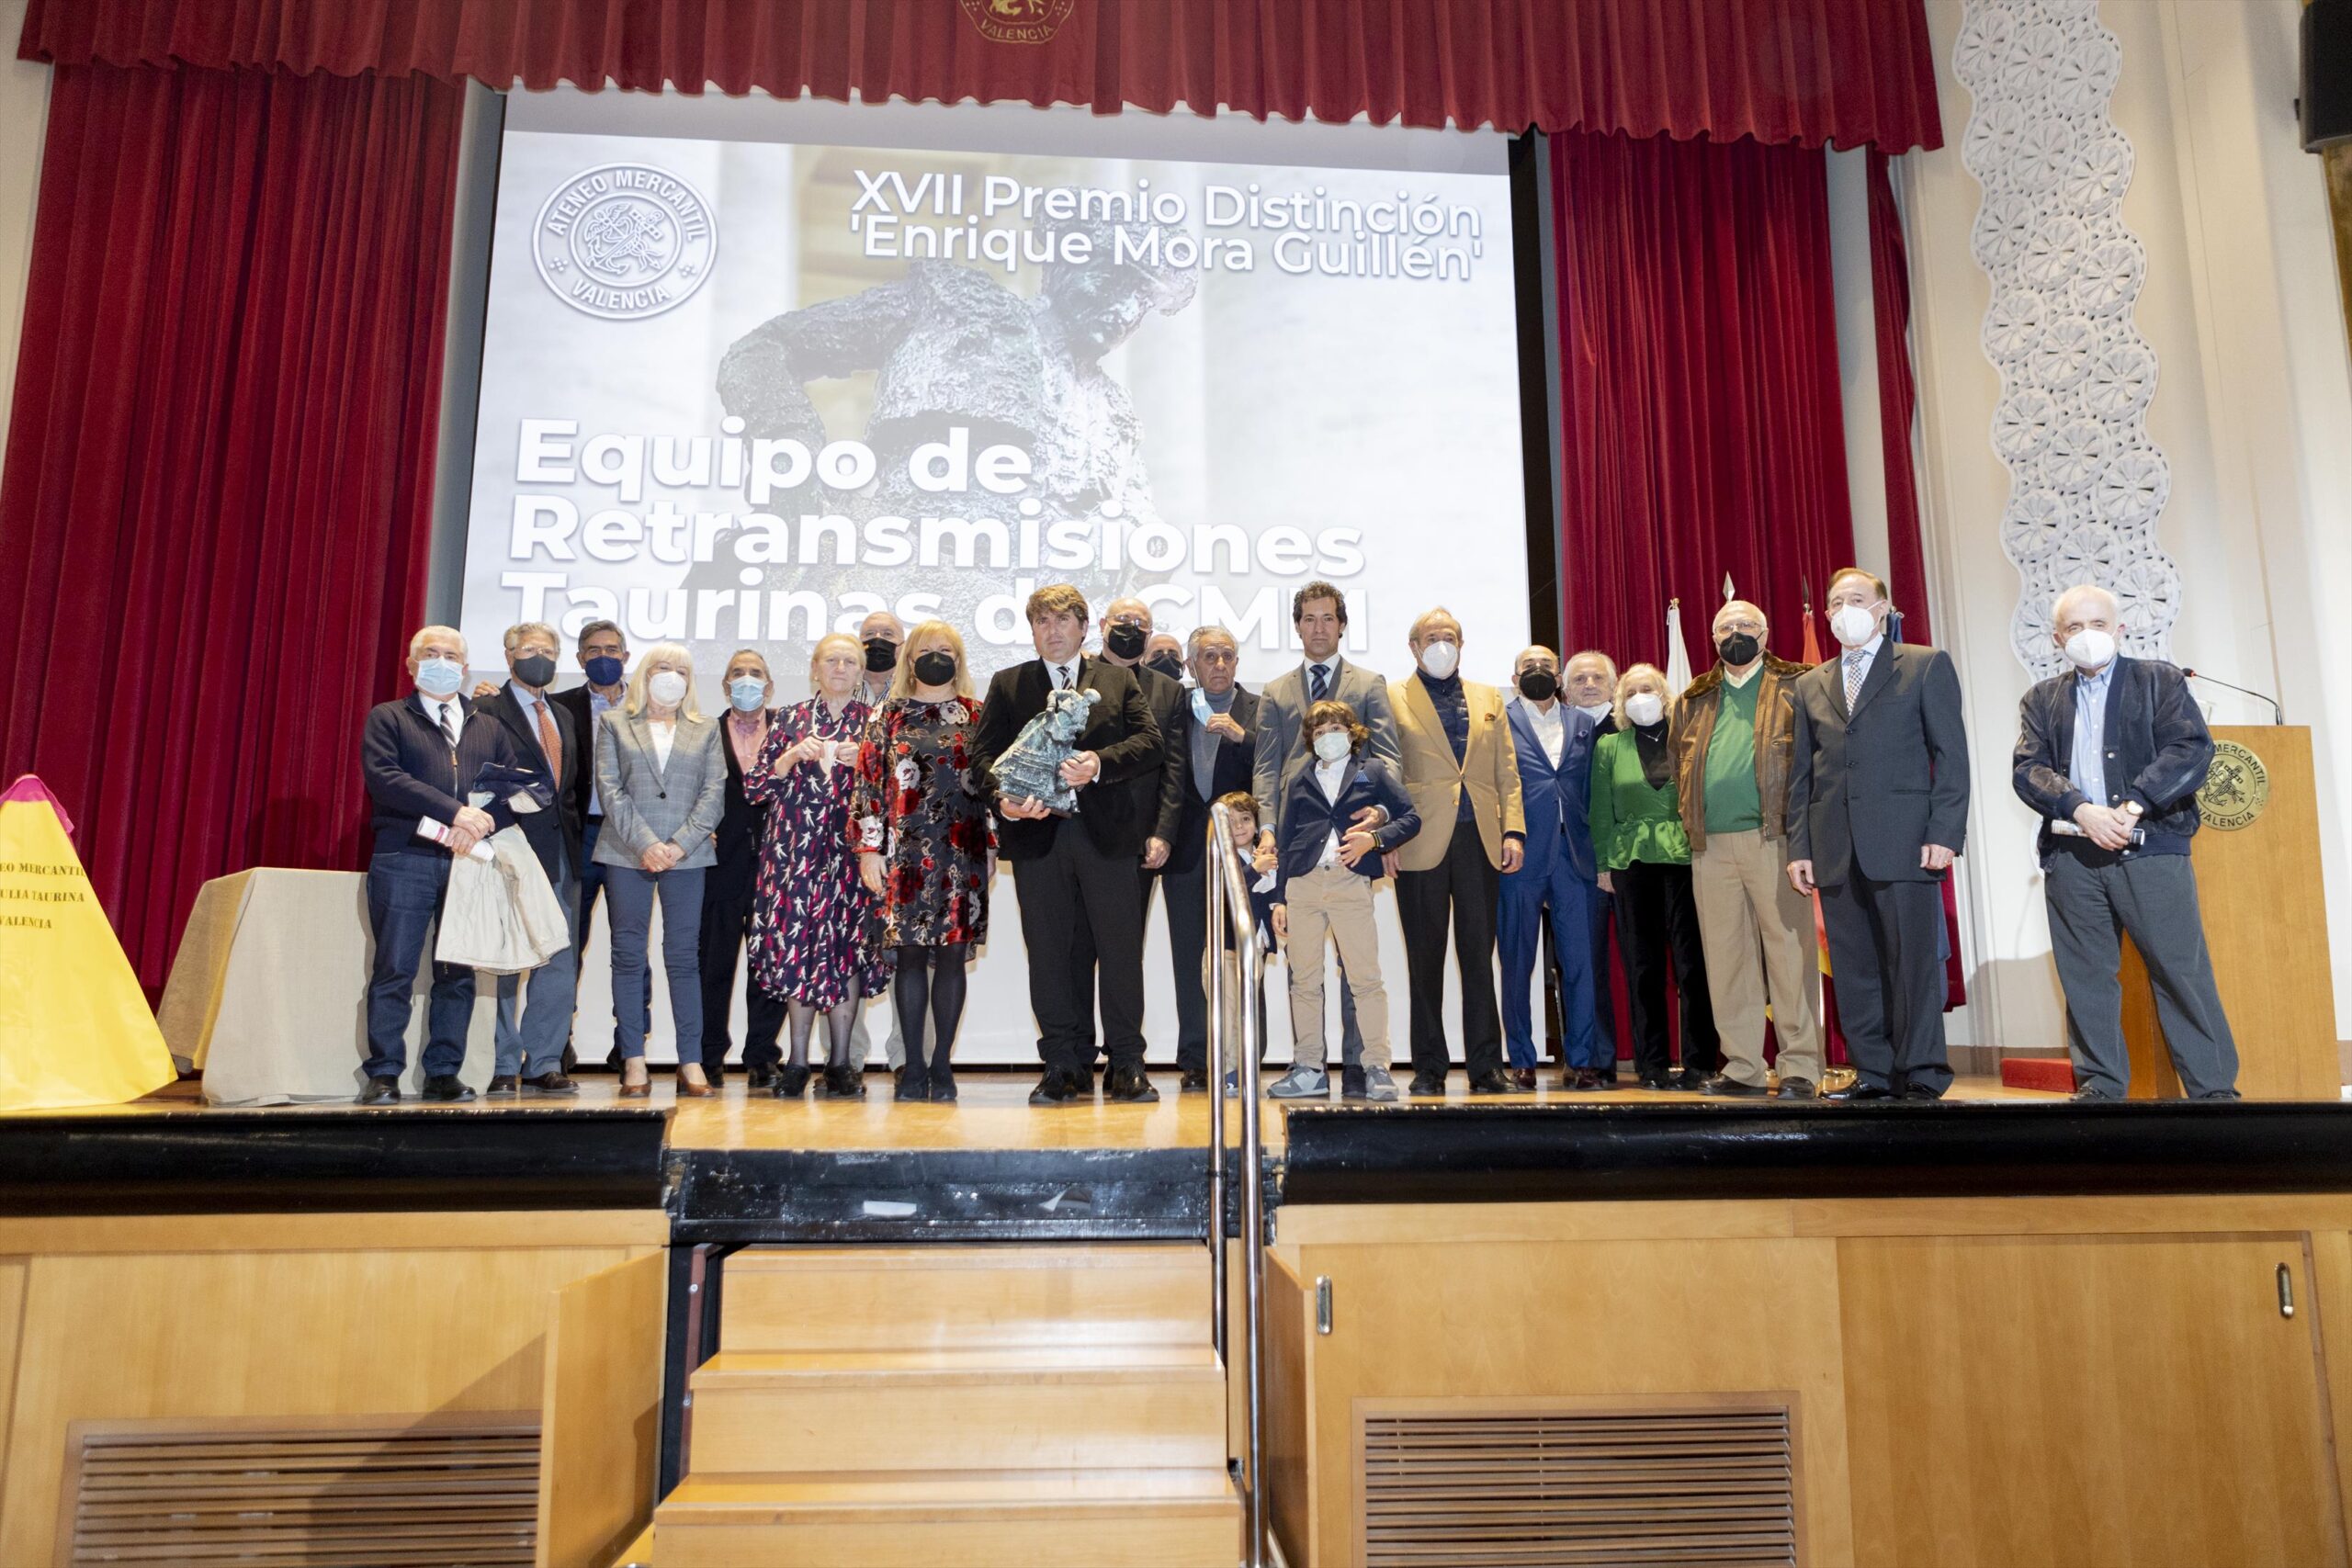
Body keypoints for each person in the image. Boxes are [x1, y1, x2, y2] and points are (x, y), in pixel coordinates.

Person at [2013, 583, 2239, 1100]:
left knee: (2180, 972)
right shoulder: (2042, 699)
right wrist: (2080, 809)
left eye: (2097, 624)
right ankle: (2100, 1088)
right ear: (2057, 638)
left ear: (2120, 629)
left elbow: (2191, 748)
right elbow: (2028, 769)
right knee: (2086, 979)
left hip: (2151, 847)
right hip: (2073, 854)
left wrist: (2133, 804)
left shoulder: (2159, 680)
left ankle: (2214, 1093)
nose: (2086, 635)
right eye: (2074, 627)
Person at [969, 584, 1165, 1105]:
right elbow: (981, 757)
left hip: (1107, 837)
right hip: (1037, 836)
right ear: (1032, 630)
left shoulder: (1118, 679)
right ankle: (1061, 1063)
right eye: (1042, 622)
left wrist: (1099, 763)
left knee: (1120, 953)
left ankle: (1127, 1063)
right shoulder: (1010, 683)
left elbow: (1151, 743)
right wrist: (1004, 800)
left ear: (1083, 627)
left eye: (1062, 621)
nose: (1052, 631)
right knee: (1049, 954)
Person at [1787, 568, 1971, 1101]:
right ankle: (1872, 1071)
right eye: (1836, 601)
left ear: (1883, 607)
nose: (1845, 608)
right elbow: (1802, 774)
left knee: (1912, 964)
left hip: (1906, 842)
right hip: (1835, 846)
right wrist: (1800, 847)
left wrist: (1945, 832)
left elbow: (1951, 758)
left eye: (1857, 598)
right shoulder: (1810, 683)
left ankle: (1922, 1071)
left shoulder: (1924, 664)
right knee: (1855, 968)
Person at [356, 626, 524, 1104]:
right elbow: (386, 779)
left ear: (465, 668)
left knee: (457, 972)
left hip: (468, 861)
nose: (442, 662)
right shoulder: (389, 717)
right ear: (411, 665)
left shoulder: (488, 726)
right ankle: (384, 1073)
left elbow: (512, 790)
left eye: (452, 656)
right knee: (395, 968)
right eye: (430, 654)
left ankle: (444, 1071)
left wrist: (479, 823)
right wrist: (455, 813)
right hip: (404, 857)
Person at [1669, 603, 1825, 1100]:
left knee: (1788, 955)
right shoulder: (1694, 696)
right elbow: (1677, 764)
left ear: (1766, 633)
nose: (1735, 633)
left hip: (1775, 839)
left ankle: (1800, 1067)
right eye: (1725, 627)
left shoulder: (1798, 684)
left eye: (1746, 625)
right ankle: (1742, 1066)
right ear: (1713, 638)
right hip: (1709, 847)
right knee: (1726, 959)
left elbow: (1817, 762)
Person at [1250, 581, 1400, 1073]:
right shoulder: (1275, 691)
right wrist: (1267, 828)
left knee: (1358, 966)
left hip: (1353, 842)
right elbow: (1267, 769)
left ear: (1342, 625)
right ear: (1297, 627)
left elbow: (1387, 758)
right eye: (1309, 619)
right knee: (1304, 972)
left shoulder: (1369, 684)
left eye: (1328, 618)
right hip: (1299, 847)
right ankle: (1308, 1068)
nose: (1319, 628)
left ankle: (1362, 1066)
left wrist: (1381, 819)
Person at [855, 621, 995, 1101]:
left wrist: (991, 846)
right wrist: (868, 850)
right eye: (926, 649)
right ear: (910, 659)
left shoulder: (977, 713)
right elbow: (868, 783)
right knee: (910, 956)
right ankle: (913, 1066)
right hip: (904, 853)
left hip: (963, 850)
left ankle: (942, 1065)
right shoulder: (888, 713)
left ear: (959, 659)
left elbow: (992, 784)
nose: (937, 657)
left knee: (953, 955)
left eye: (946, 650)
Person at [1390, 607, 1524, 1097]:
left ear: (1462, 645)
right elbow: (1385, 772)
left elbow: (1507, 771)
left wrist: (1514, 831)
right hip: (1417, 839)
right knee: (1424, 959)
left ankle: (1486, 1067)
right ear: (1414, 647)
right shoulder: (1391, 696)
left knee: (1478, 957)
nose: (1441, 644)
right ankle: (1429, 1067)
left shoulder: (1489, 697)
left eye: (1449, 636)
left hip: (1479, 838)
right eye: (1431, 637)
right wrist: (1386, 836)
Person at [749, 636, 889, 1098]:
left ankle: (841, 1063)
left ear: (861, 671)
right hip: (793, 858)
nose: (841, 668)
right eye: (832, 660)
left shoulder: (875, 721)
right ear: (815, 667)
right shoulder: (789, 718)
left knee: (847, 951)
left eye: (850, 661)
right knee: (797, 951)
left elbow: (896, 792)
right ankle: (796, 1062)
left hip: (850, 859)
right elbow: (755, 789)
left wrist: (866, 760)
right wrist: (790, 757)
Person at [1265, 701, 1419, 1102]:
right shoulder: (1300, 777)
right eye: (1318, 732)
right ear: (1310, 741)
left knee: (1365, 978)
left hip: (1350, 882)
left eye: (1335, 728)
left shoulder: (1373, 771)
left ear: (1352, 733)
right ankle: (1309, 1069)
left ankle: (1376, 1067)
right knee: (1303, 981)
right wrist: (1279, 899)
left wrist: (1375, 839)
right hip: (1302, 884)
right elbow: (1286, 839)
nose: (1327, 737)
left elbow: (1410, 817)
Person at [593, 642, 728, 1099]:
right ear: (645, 673)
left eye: (681, 670)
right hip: (627, 851)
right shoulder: (614, 722)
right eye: (663, 667)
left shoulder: (705, 728)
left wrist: (677, 845)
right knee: (628, 955)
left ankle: (690, 1061)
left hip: (687, 854)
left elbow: (713, 793)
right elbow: (610, 788)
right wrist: (647, 844)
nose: (671, 676)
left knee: (684, 957)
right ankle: (633, 1059)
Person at [1069, 596, 1188, 1073]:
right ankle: (1076, 1058)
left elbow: (1174, 771)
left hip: (1137, 843)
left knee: (1123, 953)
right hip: (1077, 835)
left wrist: (1163, 832)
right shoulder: (1076, 678)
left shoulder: (1169, 691)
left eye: (1141, 623)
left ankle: (1124, 1059)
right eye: (1123, 620)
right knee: (1076, 951)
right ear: (1101, 624)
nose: (1130, 628)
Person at [1589, 663, 1719, 1091]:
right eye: (1630, 692)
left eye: (1648, 689)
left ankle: (1700, 1062)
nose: (1639, 697)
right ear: (1620, 703)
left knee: (1692, 965)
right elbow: (1600, 811)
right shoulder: (1609, 746)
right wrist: (1603, 865)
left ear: (1665, 696)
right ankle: (1653, 1064)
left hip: (1686, 860)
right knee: (1643, 968)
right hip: (1632, 864)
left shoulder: (1688, 739)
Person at [480, 622, 582, 1097]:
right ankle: (502, 1061)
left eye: (548, 650)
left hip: (560, 852)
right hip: (508, 847)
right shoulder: (484, 710)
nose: (538, 656)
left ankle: (543, 1061)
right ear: (509, 656)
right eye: (528, 649)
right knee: (505, 957)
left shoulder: (562, 714)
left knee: (556, 956)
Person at [1500, 647, 1604, 1089]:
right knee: (1517, 960)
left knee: (1580, 962)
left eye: (1546, 666)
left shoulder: (1583, 723)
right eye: (1529, 667)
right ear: (1514, 677)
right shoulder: (1499, 720)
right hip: (1520, 853)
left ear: (1559, 677)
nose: (1538, 672)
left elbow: (1590, 788)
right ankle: (1522, 1059)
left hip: (1574, 855)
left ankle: (1581, 1060)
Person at [1166, 626, 1260, 1090]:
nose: (1219, 664)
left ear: (1237, 663)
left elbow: (1275, 769)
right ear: (1191, 665)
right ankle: (1196, 1059)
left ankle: (1244, 1058)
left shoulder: (1258, 710)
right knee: (1190, 961)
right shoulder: (1175, 708)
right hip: (1186, 849)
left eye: (1227, 655)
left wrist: (1243, 738)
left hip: (1241, 852)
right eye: (1208, 656)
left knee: (1241, 956)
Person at [548, 618, 644, 1065]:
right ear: (580, 658)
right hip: (579, 835)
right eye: (593, 650)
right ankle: (557, 1042)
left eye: (611, 649)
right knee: (569, 940)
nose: (603, 657)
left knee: (631, 944)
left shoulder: (647, 704)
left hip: (632, 835)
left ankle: (630, 1044)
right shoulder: (559, 707)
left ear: (626, 656)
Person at [699, 649, 789, 1089]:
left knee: (770, 966)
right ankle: (708, 1056)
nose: (747, 680)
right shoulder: (703, 733)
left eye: (756, 673)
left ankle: (762, 1056)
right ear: (725, 685)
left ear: (769, 687)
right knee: (712, 963)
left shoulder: (790, 731)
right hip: (719, 863)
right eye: (738, 673)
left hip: (779, 863)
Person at [847, 609, 916, 1081]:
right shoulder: (836, 693)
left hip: (909, 842)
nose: (877, 641)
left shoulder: (916, 697)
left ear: (903, 644)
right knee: (845, 950)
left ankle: (908, 1057)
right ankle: (845, 1058)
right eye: (868, 635)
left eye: (887, 635)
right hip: (845, 845)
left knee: (909, 954)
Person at [1564, 649, 1625, 1080]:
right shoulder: (1559, 730)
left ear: (1614, 685)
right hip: (1580, 866)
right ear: (1565, 690)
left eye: (1597, 678)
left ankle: (1655, 1061)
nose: (1588, 685)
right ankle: (1595, 1060)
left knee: (1644, 963)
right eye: (1579, 679)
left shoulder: (1631, 726)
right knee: (1586, 966)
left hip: (1635, 860)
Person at [1206, 790, 1280, 1083]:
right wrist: (1254, 870)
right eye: (1231, 821)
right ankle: (1224, 1070)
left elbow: (1273, 895)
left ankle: (1239, 1068)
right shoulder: (1220, 858)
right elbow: (1228, 892)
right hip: (1226, 949)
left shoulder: (1264, 856)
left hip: (1254, 950)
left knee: (1245, 1012)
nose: (1239, 827)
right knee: (1227, 1011)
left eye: (1245, 819)